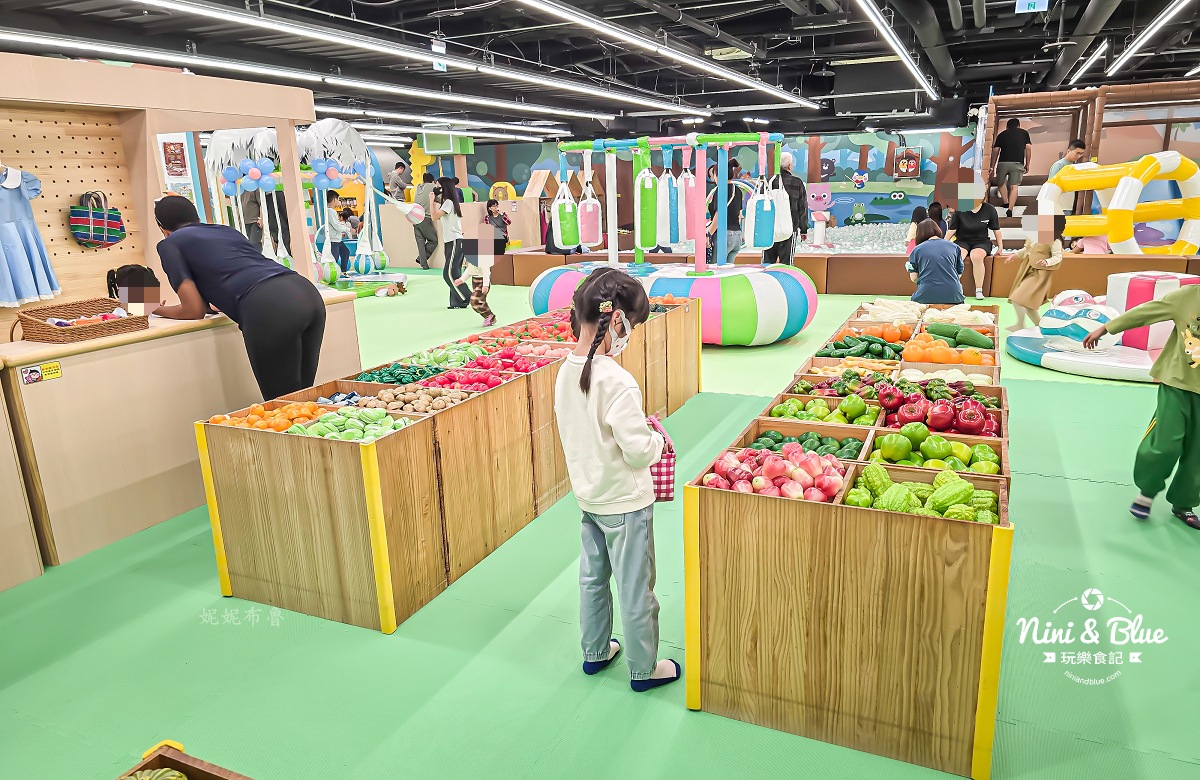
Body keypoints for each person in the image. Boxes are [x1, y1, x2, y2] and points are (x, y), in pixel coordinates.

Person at [553, 267, 679, 692]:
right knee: (636, 588)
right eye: (632, 327)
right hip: (626, 503)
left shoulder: (566, 369)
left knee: (593, 578)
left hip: (589, 497)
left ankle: (595, 651)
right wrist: (656, 441)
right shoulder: (617, 380)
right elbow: (638, 450)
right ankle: (644, 669)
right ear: (618, 321)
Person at [151, 196, 326, 400]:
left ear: (162, 228)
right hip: (304, 291)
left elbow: (193, 310)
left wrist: (155, 307)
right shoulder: (226, 230)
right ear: (196, 216)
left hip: (269, 305)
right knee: (303, 399)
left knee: (283, 406)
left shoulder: (169, 244)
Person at [1083, 284, 1200, 529]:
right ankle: (1147, 492)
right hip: (1177, 384)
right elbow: (1147, 311)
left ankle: (1184, 504)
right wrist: (1106, 327)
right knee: (1165, 443)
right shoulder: (1189, 296)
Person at [1006, 213, 1065, 331]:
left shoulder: (1054, 240)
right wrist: (1015, 255)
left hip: (1041, 274)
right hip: (1028, 269)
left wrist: (1047, 262)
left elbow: (1058, 256)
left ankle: (1020, 324)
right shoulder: (1033, 236)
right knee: (1029, 303)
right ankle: (1039, 326)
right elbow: (1027, 250)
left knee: (1018, 298)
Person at [946, 187, 1004, 300]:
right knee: (958, 256)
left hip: (981, 241)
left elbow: (996, 230)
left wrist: (1000, 247)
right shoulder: (960, 209)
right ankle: (953, 288)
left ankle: (979, 290)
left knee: (976, 256)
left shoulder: (990, 210)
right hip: (962, 240)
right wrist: (942, 244)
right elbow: (952, 230)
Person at [762, 151, 807, 264]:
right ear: (790, 166)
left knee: (767, 263)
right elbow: (802, 207)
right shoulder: (797, 183)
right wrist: (803, 229)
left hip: (769, 229)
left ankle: (766, 281)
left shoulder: (768, 182)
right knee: (787, 263)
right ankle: (785, 281)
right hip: (789, 228)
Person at [906, 219, 965, 305]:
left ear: (919, 234)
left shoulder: (917, 250)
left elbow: (914, 278)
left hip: (925, 296)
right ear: (937, 229)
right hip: (954, 296)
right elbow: (959, 273)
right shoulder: (954, 247)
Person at [436, 177, 469, 309]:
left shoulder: (449, 202)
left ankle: (469, 296)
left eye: (438, 186)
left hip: (455, 241)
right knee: (455, 272)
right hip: (450, 241)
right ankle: (457, 302)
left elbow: (434, 216)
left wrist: (431, 200)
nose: (436, 189)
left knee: (447, 274)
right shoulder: (448, 202)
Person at [990, 117, 1031, 217]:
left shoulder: (1002, 134)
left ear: (1007, 126)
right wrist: (1027, 164)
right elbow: (1028, 149)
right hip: (1017, 163)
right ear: (1018, 125)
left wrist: (992, 166)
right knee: (1014, 187)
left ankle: (1005, 202)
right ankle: (1010, 209)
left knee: (1000, 183)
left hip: (1003, 163)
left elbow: (995, 151)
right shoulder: (1024, 133)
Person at [707, 159, 744, 264]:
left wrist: (708, 234)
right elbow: (739, 216)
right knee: (728, 272)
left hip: (724, 236)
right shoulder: (738, 190)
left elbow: (719, 215)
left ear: (718, 174)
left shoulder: (721, 190)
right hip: (736, 237)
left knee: (715, 271)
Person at [1048, 139, 1088, 215]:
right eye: (1077, 153)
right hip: (1059, 204)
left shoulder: (1073, 166)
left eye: (1081, 154)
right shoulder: (1059, 165)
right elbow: (1051, 184)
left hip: (1068, 204)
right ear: (1068, 151)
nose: (1079, 156)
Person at [412, 172, 437, 269]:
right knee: (433, 240)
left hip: (414, 217)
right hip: (424, 217)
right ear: (432, 180)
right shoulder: (432, 186)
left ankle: (423, 264)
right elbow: (439, 198)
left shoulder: (418, 187)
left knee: (420, 242)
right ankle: (421, 259)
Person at [324, 190, 353, 272]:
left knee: (345, 252)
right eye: (338, 199)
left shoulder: (330, 211)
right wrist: (348, 229)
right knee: (335, 258)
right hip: (334, 240)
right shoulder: (330, 211)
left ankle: (342, 271)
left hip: (337, 239)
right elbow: (336, 226)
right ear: (334, 200)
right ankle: (333, 273)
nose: (339, 201)